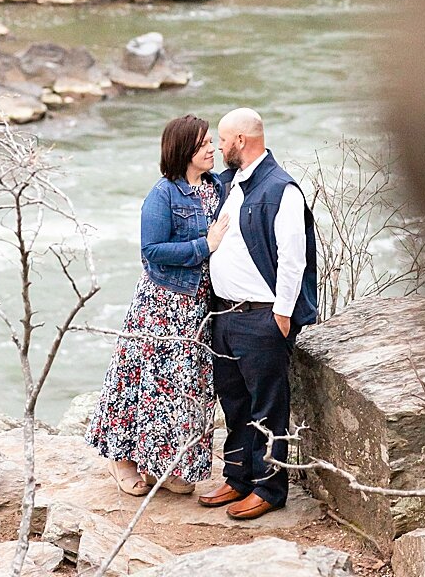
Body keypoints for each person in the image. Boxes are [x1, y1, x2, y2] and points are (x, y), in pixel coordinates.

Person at [86, 114, 230, 497]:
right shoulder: (163, 194)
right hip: (163, 303)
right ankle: (122, 460)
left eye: (213, 142)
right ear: (184, 150)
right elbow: (150, 250)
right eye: (204, 145)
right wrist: (205, 245)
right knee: (146, 382)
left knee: (186, 387)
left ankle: (170, 463)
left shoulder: (219, 187)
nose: (212, 149)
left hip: (201, 306)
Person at [196, 107, 318, 520]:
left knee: (267, 406)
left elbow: (292, 258)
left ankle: (269, 488)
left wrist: (282, 313)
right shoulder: (232, 183)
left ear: (241, 142)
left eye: (223, 139)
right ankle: (238, 478)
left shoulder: (281, 189)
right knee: (233, 401)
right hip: (225, 315)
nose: (219, 146)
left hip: (261, 317)